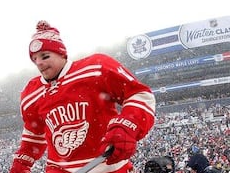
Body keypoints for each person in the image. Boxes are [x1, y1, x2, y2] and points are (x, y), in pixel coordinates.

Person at [9, 21, 156, 173]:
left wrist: (127, 125)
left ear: (61, 53)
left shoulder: (94, 68)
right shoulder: (32, 93)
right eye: (34, 59)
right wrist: (22, 162)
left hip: (106, 166)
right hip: (58, 169)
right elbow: (34, 132)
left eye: (45, 56)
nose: (39, 63)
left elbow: (139, 93)